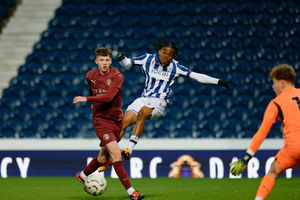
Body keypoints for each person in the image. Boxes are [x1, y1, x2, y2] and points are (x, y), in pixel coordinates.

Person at [116, 38, 229, 160]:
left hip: (159, 103)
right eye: (164, 52)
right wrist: (121, 58)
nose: (166, 56)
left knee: (143, 112)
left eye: (169, 54)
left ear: (172, 57)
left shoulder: (175, 67)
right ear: (159, 51)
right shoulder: (147, 59)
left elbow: (197, 76)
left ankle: (129, 149)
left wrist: (217, 81)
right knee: (122, 123)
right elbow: (127, 62)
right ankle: (109, 154)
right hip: (143, 98)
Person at [73, 47, 145, 200]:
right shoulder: (90, 75)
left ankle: (83, 175)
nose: (104, 63)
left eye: (107, 60)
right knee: (116, 153)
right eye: (101, 60)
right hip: (100, 121)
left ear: (111, 61)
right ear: (96, 61)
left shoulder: (117, 75)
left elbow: (108, 97)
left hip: (116, 120)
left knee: (103, 159)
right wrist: (93, 104)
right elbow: (94, 90)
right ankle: (132, 192)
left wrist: (87, 99)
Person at [230, 64, 300, 200]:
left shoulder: (276, 103)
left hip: (294, 147)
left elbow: (262, 133)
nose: (272, 87)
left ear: (282, 83)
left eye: (274, 83)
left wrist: (245, 160)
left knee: (272, 172)